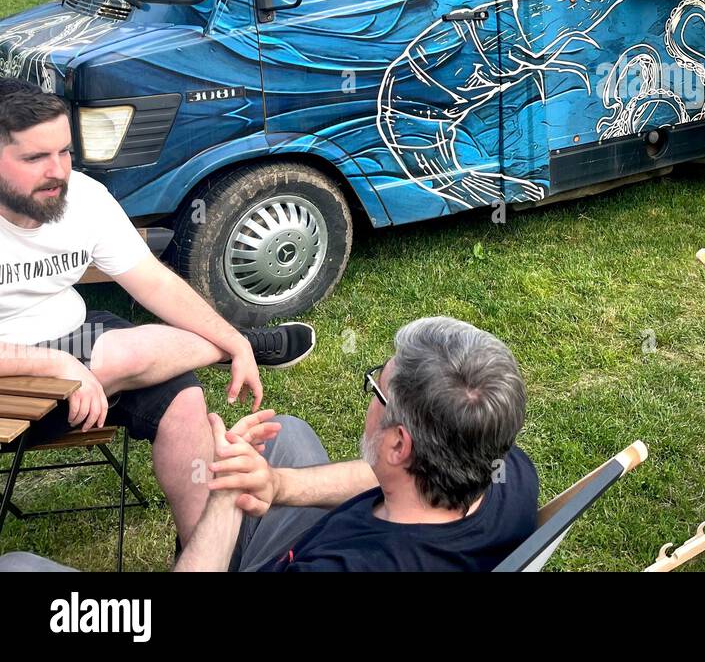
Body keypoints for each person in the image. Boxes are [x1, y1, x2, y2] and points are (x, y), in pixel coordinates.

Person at [0, 77, 316, 543]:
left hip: (74, 336)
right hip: (15, 379)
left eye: (65, 152)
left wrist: (225, 335)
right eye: (35, 158)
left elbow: (152, 280)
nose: (59, 171)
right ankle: (241, 342)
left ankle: (205, 555)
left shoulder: (81, 197)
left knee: (181, 397)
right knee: (122, 357)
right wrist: (58, 363)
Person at [0, 316, 540, 572]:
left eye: (378, 385)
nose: (371, 391)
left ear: (400, 445)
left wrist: (224, 501)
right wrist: (276, 485)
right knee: (291, 438)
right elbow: (376, 476)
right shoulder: (507, 471)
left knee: (18, 568)